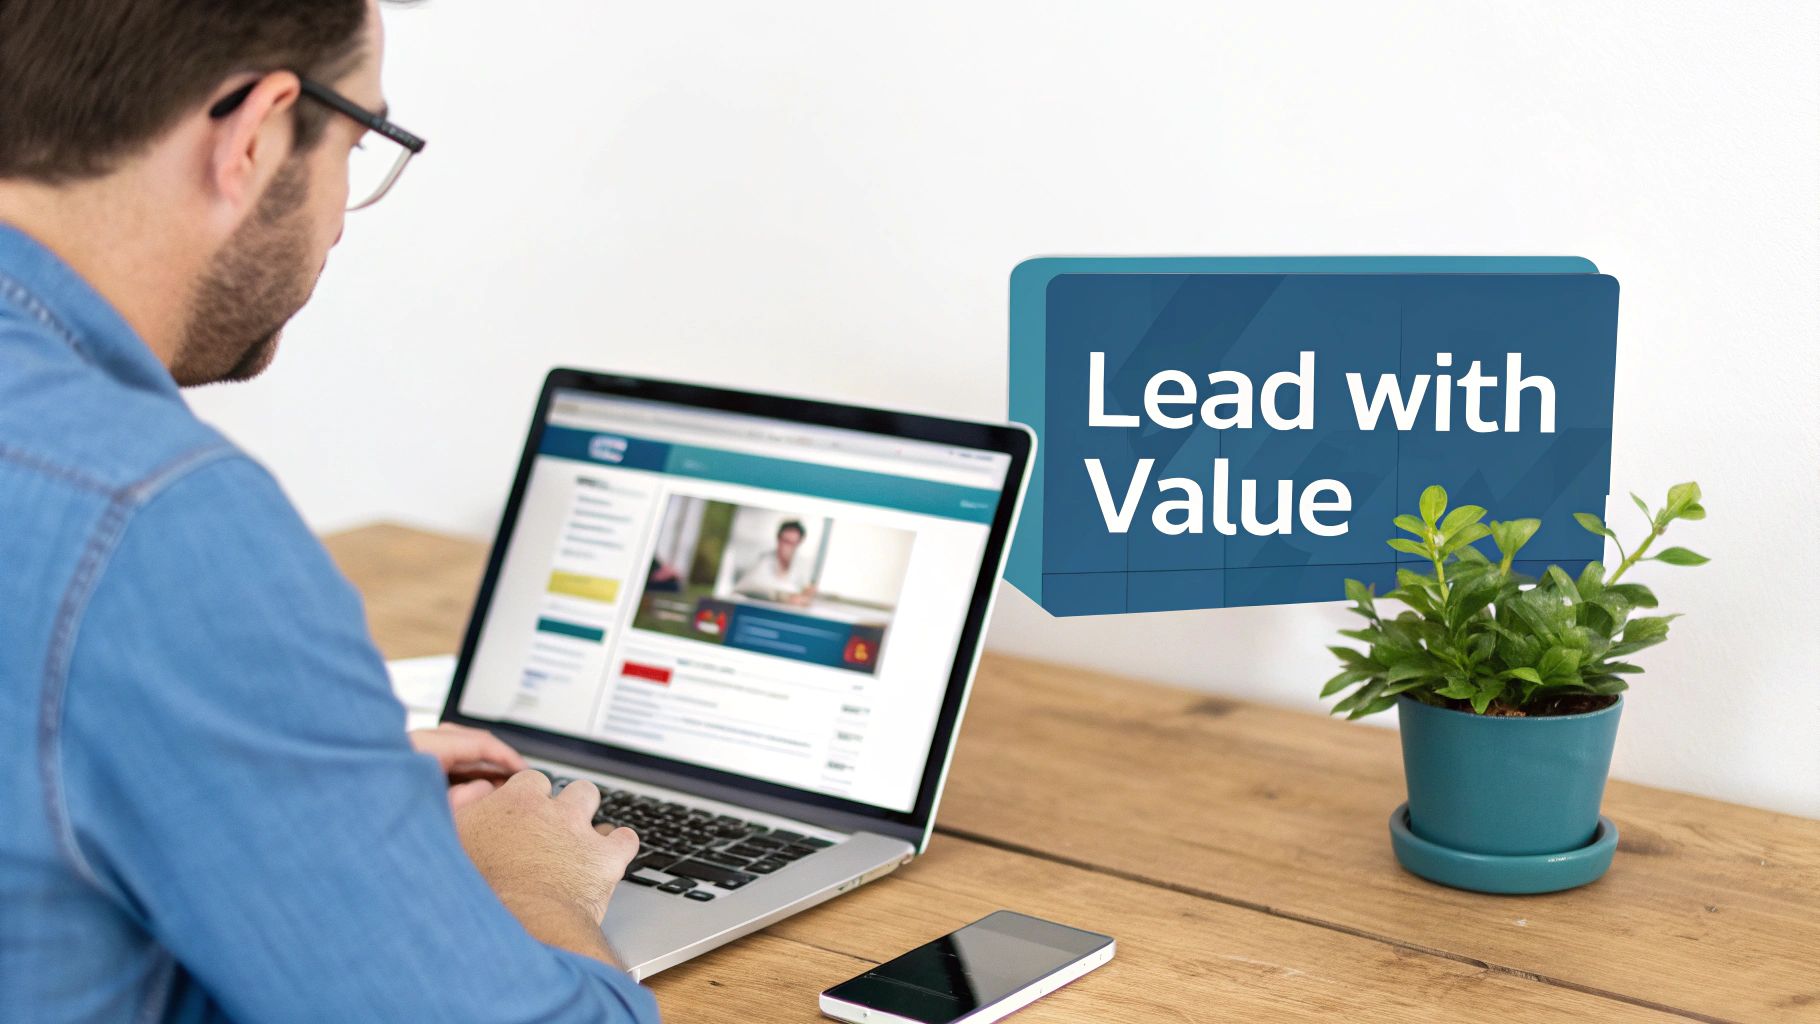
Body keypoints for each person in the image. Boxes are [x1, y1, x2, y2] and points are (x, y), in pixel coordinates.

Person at [0, 2, 656, 1021]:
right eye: (359, 143)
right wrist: (531, 885)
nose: (344, 209)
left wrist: (299, 776)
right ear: (255, 133)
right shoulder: (158, 523)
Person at [733, 519, 819, 606]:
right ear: (778, 539)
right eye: (785, 541)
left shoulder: (801, 567)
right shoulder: (764, 561)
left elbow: (805, 592)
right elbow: (744, 587)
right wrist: (783, 597)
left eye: (793, 543)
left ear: (799, 543)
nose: (787, 547)